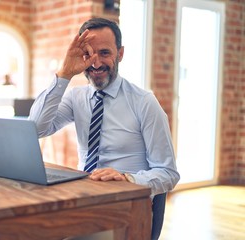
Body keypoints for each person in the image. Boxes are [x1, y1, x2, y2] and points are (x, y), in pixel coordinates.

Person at [29, 17, 180, 238]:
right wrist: (64, 74)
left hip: (125, 208)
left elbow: (168, 173)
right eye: (88, 54)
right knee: (35, 229)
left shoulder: (144, 102)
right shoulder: (76, 97)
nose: (96, 63)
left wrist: (128, 178)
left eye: (105, 53)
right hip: (84, 199)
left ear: (120, 54)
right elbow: (36, 129)